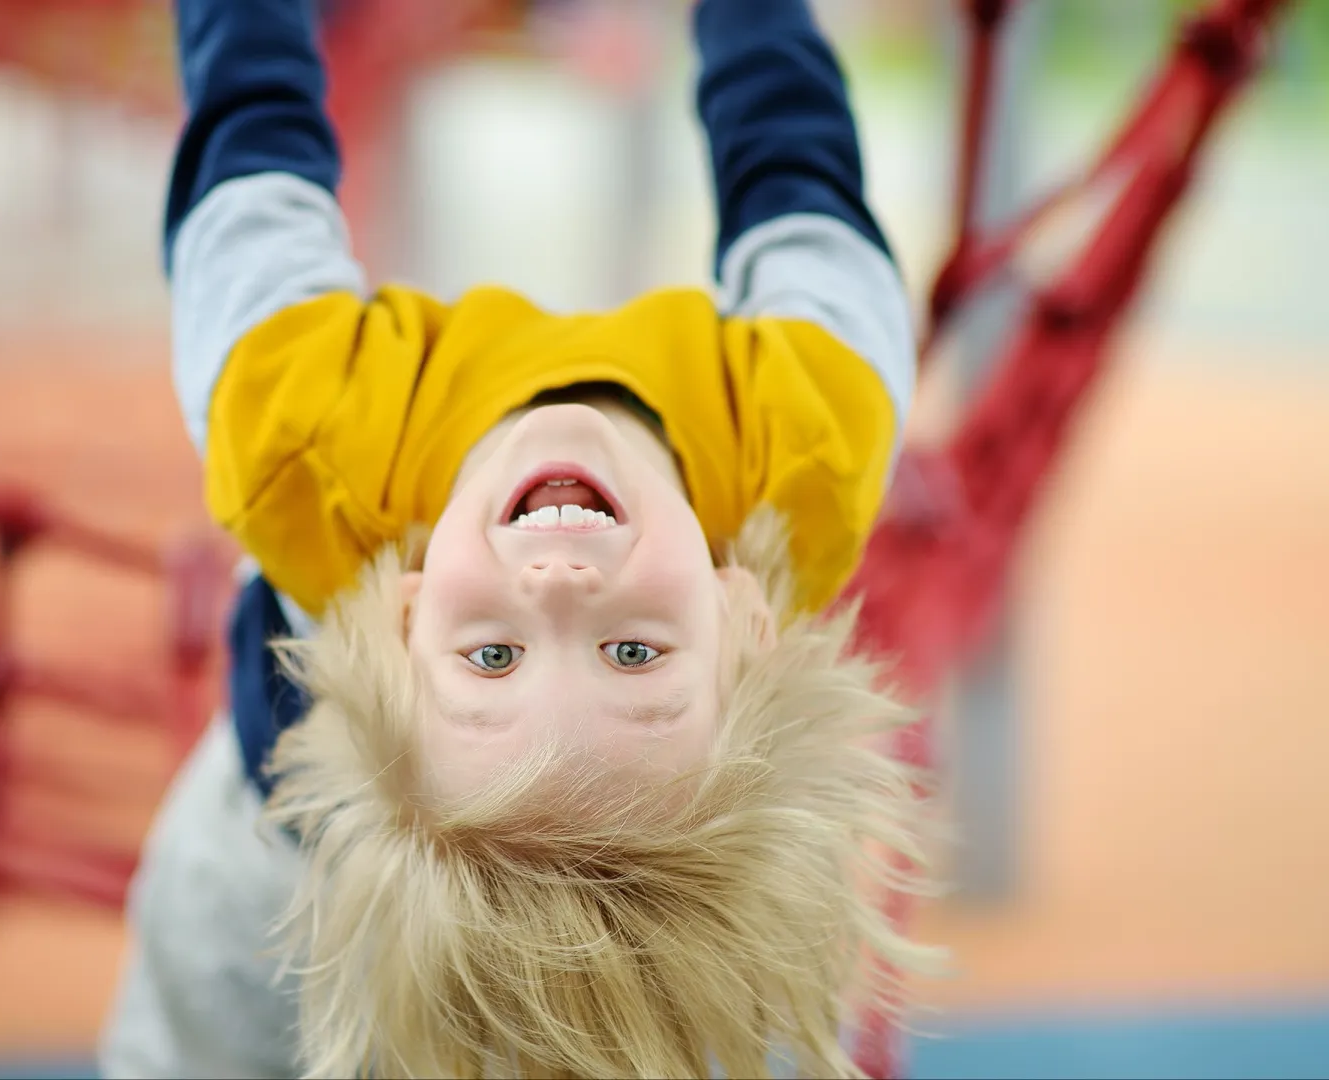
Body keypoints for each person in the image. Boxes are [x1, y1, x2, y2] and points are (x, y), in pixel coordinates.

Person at [102, 0, 935, 1076]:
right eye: (633, 653)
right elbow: (796, 169)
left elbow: (248, 136)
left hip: (268, 886)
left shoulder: (296, 436)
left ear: (402, 619)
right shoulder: (815, 433)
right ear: (744, 622)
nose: (554, 585)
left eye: (491, 655)